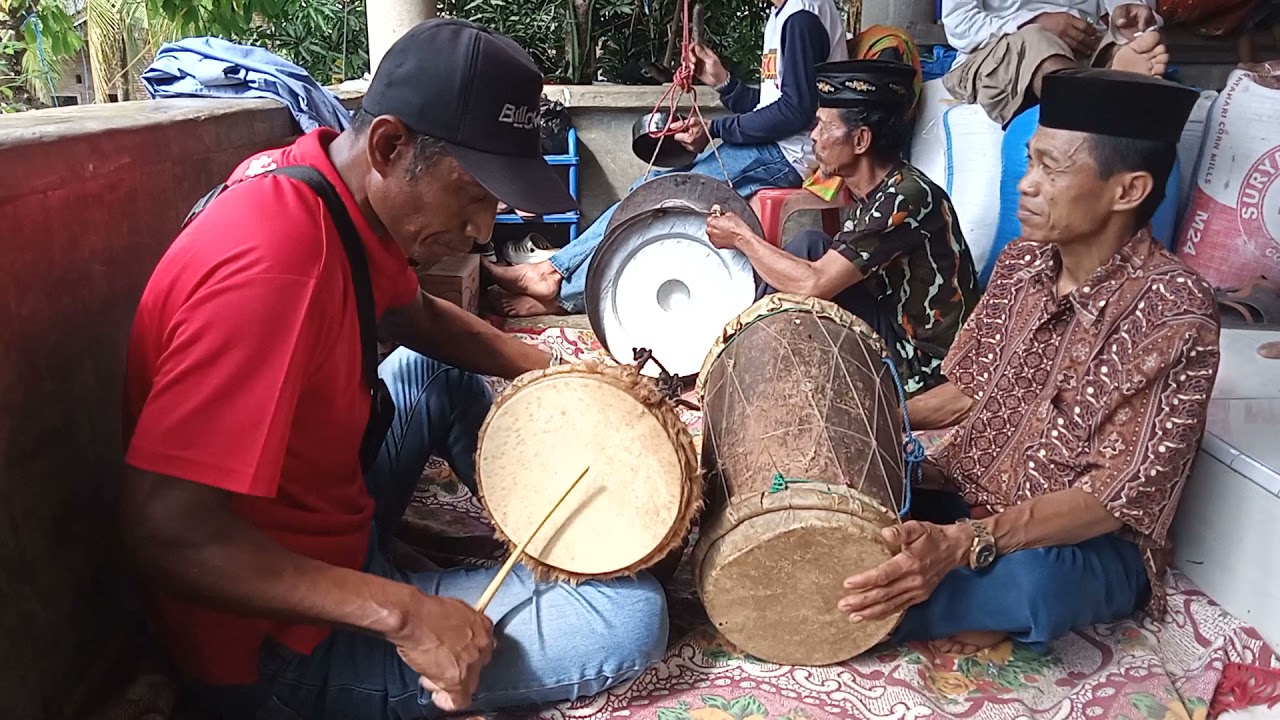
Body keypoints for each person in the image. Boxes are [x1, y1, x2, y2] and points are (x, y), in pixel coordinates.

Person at [118, 19, 667, 720]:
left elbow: (417, 316)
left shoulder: (326, 189)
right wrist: (403, 614)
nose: (480, 228)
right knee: (631, 616)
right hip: (274, 648)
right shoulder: (275, 265)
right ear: (388, 145)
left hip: (320, 511)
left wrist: (565, 379)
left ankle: (558, 519)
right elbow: (166, 530)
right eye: (473, 195)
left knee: (432, 372)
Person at [835, 69, 1219, 655]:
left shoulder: (1176, 314)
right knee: (864, 489)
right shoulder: (1021, 263)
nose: (1027, 184)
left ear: (1129, 190)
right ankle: (922, 590)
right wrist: (870, 421)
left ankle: (866, 605)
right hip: (972, 491)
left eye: (1051, 168)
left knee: (1040, 583)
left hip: (1079, 540)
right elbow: (965, 391)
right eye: (1030, 162)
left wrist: (968, 542)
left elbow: (1110, 497)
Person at [485, 0, 849, 317]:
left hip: (789, 155)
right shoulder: (783, 14)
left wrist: (716, 129)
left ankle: (558, 287)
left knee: (660, 199)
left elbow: (797, 112)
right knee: (650, 188)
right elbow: (773, 105)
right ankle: (555, 276)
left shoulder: (802, 14)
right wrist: (725, 83)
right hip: (774, 146)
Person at [704, 59, 981, 397]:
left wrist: (741, 238)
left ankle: (745, 370)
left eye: (824, 126)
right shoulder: (877, 191)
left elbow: (813, 283)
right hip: (891, 326)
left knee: (809, 262)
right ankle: (747, 361)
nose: (814, 136)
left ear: (861, 139)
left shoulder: (905, 197)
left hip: (920, 367)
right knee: (812, 247)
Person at [941, 0, 1173, 125]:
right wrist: (1033, 22)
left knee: (1135, 42)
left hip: (1086, 45)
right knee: (1038, 41)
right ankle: (1087, 99)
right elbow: (960, 25)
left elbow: (1122, 8)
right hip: (999, 50)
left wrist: (1128, 14)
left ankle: (1106, 75)